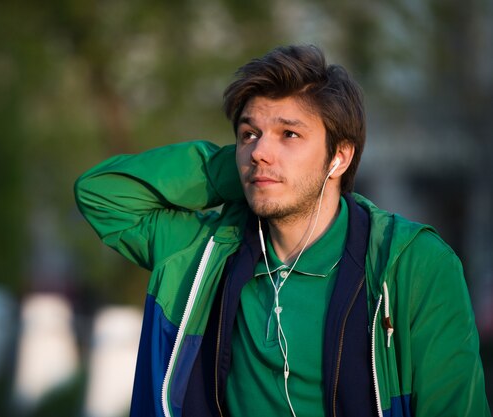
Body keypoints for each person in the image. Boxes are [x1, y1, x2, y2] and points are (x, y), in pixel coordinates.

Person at [75, 45, 490, 417]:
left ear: (339, 157)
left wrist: (261, 164)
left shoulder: (414, 265)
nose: (260, 151)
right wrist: (245, 170)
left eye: (289, 134)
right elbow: (102, 194)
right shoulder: (204, 253)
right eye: (248, 134)